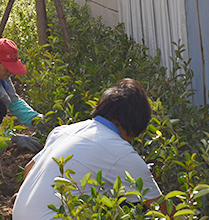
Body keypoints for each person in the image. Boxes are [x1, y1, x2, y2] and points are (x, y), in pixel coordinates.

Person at [13, 79, 163, 219]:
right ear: (137, 124)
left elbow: (29, 170)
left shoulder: (64, 131)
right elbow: (162, 208)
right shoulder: (122, 153)